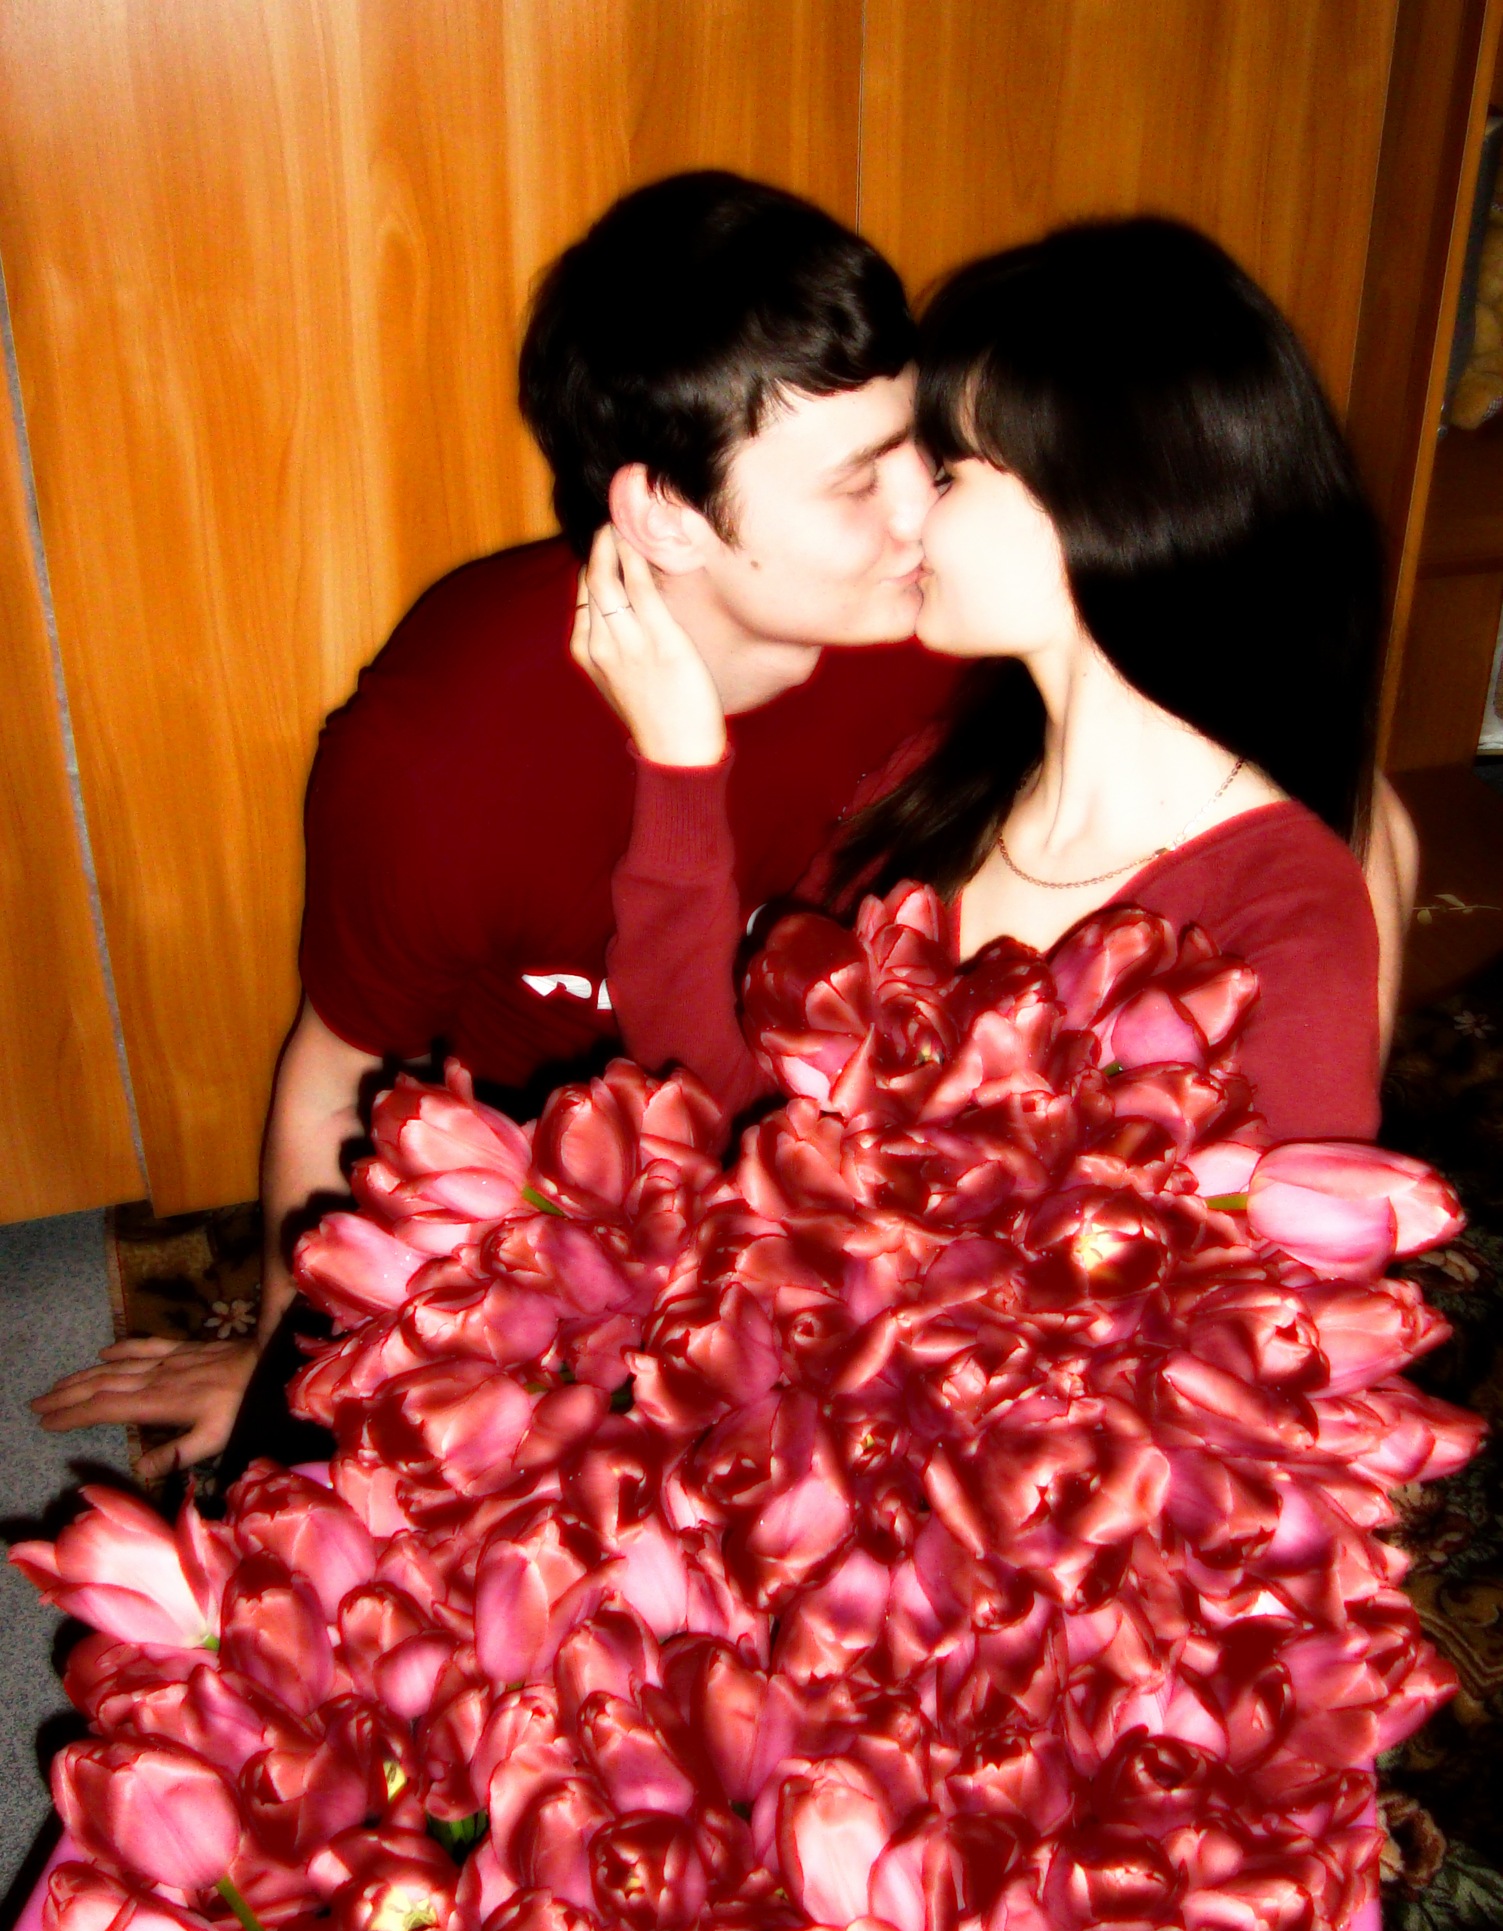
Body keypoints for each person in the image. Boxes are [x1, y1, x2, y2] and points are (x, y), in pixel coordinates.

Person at [30, 170, 957, 1478]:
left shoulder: (942, 631)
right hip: (539, 1185)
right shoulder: (443, 755)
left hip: (818, 1146)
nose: (924, 508)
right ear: (667, 515)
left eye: (915, 444)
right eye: (858, 481)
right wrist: (291, 1349)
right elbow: (336, 1069)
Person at [580, 216, 1419, 1140]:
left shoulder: (1278, 904)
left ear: (1092, 505)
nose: (908, 517)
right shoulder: (930, 781)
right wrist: (680, 771)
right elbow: (720, 1114)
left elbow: (1280, 1236)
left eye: (946, 472)